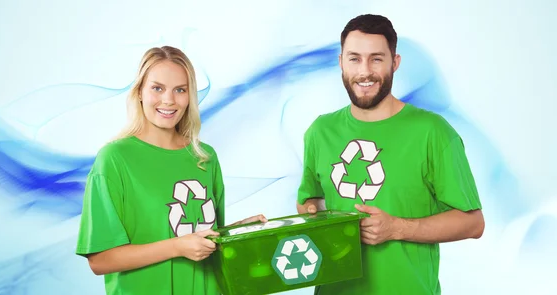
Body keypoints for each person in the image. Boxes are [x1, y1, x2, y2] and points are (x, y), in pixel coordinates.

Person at [296, 14, 485, 295]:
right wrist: (314, 214)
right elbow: (308, 200)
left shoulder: (431, 132)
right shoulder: (320, 131)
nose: (365, 71)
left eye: (376, 59)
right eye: (354, 58)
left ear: (394, 63)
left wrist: (396, 228)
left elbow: (473, 223)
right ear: (341, 63)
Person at [76, 46, 267, 295]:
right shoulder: (115, 159)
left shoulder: (204, 157)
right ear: (140, 92)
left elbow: (201, 238)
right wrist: (177, 247)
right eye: (157, 88)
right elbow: (100, 260)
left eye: (180, 90)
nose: (169, 100)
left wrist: (234, 232)